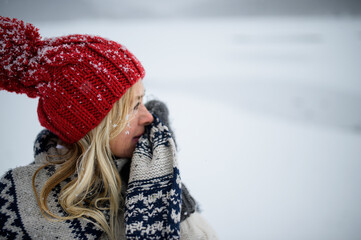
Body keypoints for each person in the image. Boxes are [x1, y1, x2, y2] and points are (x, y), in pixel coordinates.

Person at [0, 16, 218, 240]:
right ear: (95, 127)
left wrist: (169, 189)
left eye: (143, 100)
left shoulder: (140, 178)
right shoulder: (19, 208)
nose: (149, 117)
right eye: (134, 107)